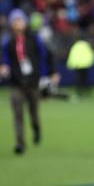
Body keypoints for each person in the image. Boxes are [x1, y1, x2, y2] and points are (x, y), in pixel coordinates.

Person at [0, 9, 60, 155]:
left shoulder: (35, 39)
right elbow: (5, 59)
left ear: (25, 22)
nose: (18, 23)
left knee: (33, 113)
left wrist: (51, 73)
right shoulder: (7, 41)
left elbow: (46, 56)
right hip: (17, 83)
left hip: (33, 81)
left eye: (20, 20)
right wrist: (4, 67)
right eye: (15, 21)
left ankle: (36, 130)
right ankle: (20, 143)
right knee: (18, 114)